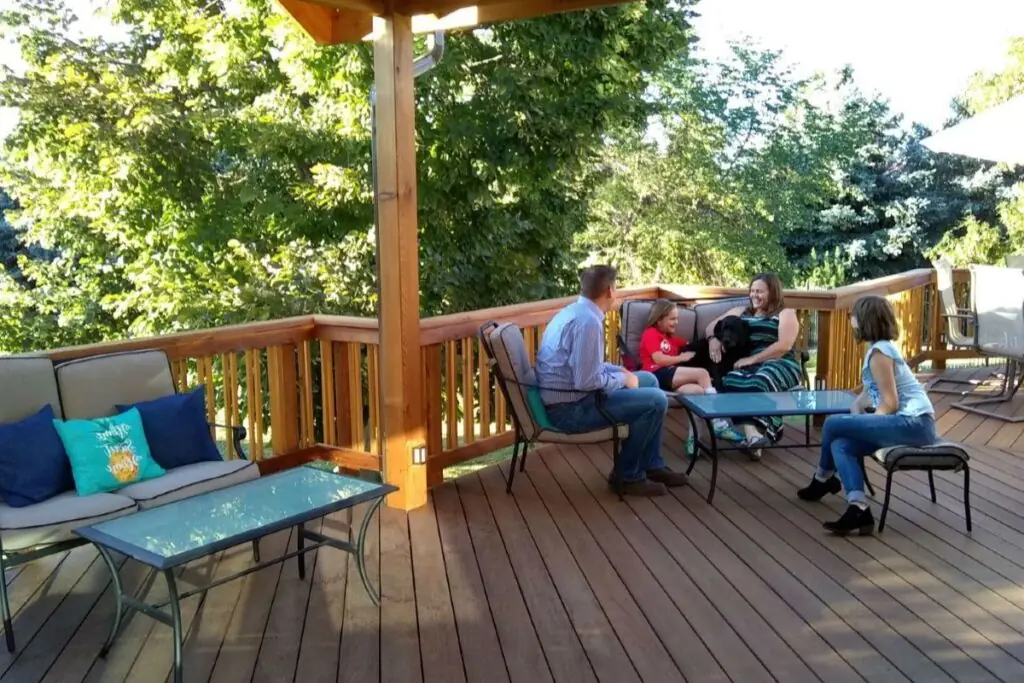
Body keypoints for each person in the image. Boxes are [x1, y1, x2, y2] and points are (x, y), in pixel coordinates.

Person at [536, 265, 688, 496]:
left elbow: (581, 366)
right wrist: (621, 379)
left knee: (648, 380)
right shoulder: (587, 322)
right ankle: (627, 476)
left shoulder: (575, 312)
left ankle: (651, 464)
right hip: (571, 410)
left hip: (572, 399)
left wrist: (617, 370)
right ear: (609, 290)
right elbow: (585, 381)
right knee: (656, 400)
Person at [797, 295, 938, 535]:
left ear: (866, 320)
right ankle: (859, 508)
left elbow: (890, 403)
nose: (851, 319)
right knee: (841, 444)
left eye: (854, 315)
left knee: (832, 424)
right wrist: (855, 417)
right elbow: (865, 396)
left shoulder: (880, 354)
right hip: (907, 423)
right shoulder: (876, 350)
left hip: (914, 423)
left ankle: (822, 479)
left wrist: (865, 422)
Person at [705, 273, 803, 460]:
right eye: (752, 291)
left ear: (773, 292)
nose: (754, 295)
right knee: (731, 380)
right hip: (747, 364)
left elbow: (784, 345)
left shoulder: (785, 313)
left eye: (760, 291)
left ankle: (763, 430)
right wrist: (713, 340)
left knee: (760, 381)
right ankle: (753, 436)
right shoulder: (741, 311)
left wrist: (753, 359)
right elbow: (711, 327)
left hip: (780, 362)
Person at [638, 299, 745, 455]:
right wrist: (682, 358)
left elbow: (693, 346)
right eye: (672, 319)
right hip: (655, 374)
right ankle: (718, 422)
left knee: (697, 393)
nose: (676, 322)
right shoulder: (650, 334)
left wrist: (716, 342)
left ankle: (694, 439)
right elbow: (658, 359)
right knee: (702, 373)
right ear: (659, 319)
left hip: (671, 377)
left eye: (677, 318)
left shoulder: (671, 339)